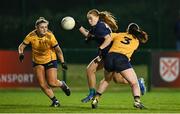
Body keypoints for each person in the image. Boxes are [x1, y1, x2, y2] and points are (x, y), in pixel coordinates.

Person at [75, 9, 146, 103]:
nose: (89, 21)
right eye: (88, 19)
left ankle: (92, 93)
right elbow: (88, 34)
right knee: (117, 79)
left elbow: (108, 39)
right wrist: (79, 26)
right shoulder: (97, 26)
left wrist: (100, 49)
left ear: (97, 17)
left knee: (90, 70)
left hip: (108, 54)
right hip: (109, 55)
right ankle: (138, 82)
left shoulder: (100, 26)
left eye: (91, 18)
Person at [91, 23, 148, 109]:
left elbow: (107, 37)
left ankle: (95, 99)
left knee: (107, 80)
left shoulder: (119, 34)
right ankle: (137, 101)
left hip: (109, 57)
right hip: (121, 59)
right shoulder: (136, 41)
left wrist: (93, 36)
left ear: (127, 30)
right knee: (134, 83)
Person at [18, 17, 71, 107]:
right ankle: (55, 101)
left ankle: (62, 84)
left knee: (52, 82)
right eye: (42, 27)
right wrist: (21, 53)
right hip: (37, 61)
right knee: (42, 84)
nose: (44, 29)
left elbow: (58, 50)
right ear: (36, 28)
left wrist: (62, 62)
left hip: (50, 59)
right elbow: (21, 46)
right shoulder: (31, 35)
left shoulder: (50, 36)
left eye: (46, 27)